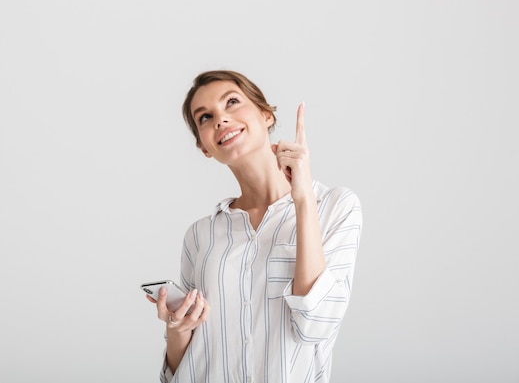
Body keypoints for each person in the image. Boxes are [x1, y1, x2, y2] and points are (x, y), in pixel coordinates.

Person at [146, 70, 363, 383]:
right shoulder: (199, 235)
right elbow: (181, 370)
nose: (220, 119)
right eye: (205, 117)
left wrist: (303, 201)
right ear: (205, 147)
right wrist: (177, 330)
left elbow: (314, 325)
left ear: (266, 115)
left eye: (232, 102)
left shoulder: (335, 207)